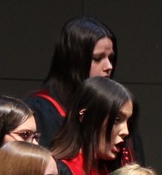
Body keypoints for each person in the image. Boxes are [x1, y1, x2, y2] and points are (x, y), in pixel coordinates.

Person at [27, 16, 119, 145]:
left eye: (111, 58)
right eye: (98, 58)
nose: (109, 66)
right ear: (75, 62)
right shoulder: (43, 110)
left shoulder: (115, 110)